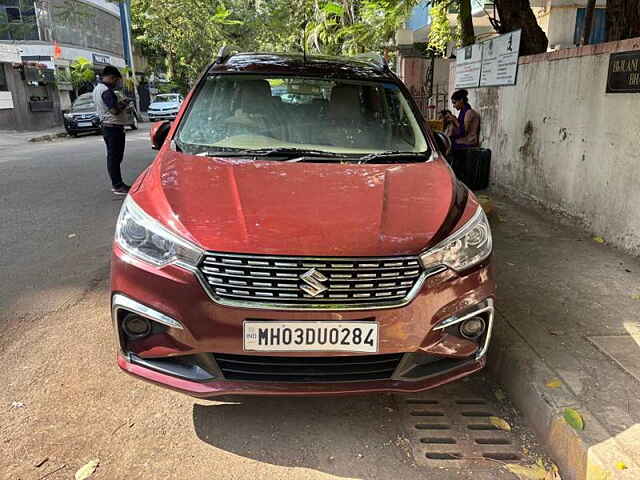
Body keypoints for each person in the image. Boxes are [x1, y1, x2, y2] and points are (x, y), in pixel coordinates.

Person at [93, 65, 132, 195]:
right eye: (115, 80)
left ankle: (117, 184)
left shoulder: (97, 89)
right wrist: (125, 103)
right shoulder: (106, 91)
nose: (116, 83)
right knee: (114, 157)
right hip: (112, 127)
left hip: (108, 127)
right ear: (110, 77)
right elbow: (114, 110)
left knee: (114, 157)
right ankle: (117, 185)